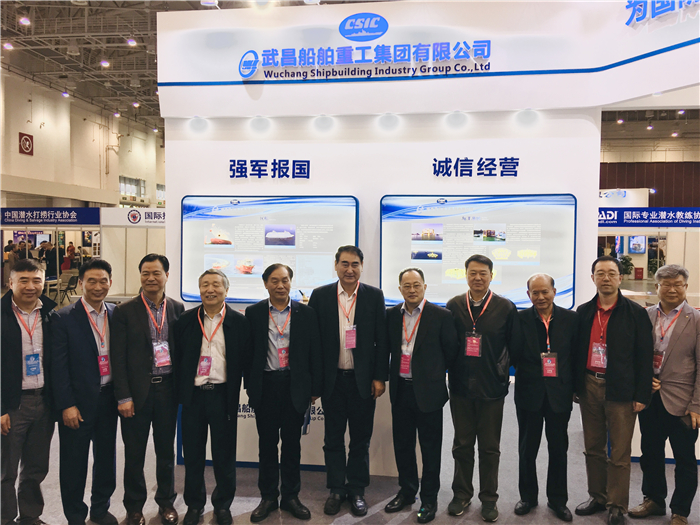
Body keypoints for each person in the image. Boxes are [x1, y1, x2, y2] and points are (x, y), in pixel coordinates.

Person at [308, 245, 389, 517]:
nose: (349, 269)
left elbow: (382, 341)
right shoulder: (320, 296)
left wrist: (379, 377)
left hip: (362, 382)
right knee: (332, 439)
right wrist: (315, 384)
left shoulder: (374, 296)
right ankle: (336, 489)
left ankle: (356, 490)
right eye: (344, 264)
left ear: (362, 267)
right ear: (336, 265)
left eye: (355, 264)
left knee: (360, 440)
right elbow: (314, 344)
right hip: (333, 381)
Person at [574, 255, 653, 525]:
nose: (605, 278)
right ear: (593, 278)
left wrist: (642, 395)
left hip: (621, 389)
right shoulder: (583, 312)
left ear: (620, 278)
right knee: (593, 447)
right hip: (589, 384)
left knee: (619, 452)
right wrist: (576, 387)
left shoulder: (636, 313)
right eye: (600, 273)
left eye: (611, 273)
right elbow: (576, 352)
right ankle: (597, 496)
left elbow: (644, 356)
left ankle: (617, 505)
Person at [172, 269, 251, 525]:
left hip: (223, 396)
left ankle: (223, 505)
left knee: (224, 455)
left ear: (226, 290)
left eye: (216, 284)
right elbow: (177, 360)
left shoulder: (239, 322)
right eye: (205, 284)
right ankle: (194, 505)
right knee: (193, 455)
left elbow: (246, 360)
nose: (210, 289)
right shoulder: (185, 320)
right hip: (194, 397)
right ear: (199, 290)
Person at [111, 254, 185, 525]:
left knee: (166, 452)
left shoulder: (177, 309)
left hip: (167, 391)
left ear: (167, 275)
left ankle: (166, 502)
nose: (151, 278)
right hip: (136, 394)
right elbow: (118, 358)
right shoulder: (124, 311)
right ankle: (134, 507)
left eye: (156, 273)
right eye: (145, 273)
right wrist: (124, 396)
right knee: (134, 454)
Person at [445, 254, 519, 522]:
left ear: (491, 276)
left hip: (492, 389)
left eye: (483, 273)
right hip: (461, 387)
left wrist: (501, 373)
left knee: (489, 447)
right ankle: (461, 494)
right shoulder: (454, 306)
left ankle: (489, 499)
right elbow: (447, 345)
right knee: (462, 444)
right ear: (465, 275)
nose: (477, 278)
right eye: (473, 273)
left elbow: (513, 347)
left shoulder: (505, 307)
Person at [246, 264, 322, 522]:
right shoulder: (254, 312)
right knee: (267, 446)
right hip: (266, 386)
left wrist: (315, 388)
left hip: (294, 386)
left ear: (291, 282)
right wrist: (250, 385)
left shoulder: (306, 313)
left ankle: (291, 496)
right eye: (275, 280)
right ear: (265, 283)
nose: (280, 285)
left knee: (292, 446)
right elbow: (249, 353)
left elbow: (314, 352)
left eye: (285, 280)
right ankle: (268, 497)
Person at [384, 268, 458, 523]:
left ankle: (429, 499)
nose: (412, 290)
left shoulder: (441, 315)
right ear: (400, 289)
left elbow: (451, 352)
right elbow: (386, 349)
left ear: (425, 287)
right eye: (407, 286)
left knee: (430, 449)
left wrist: (432, 374)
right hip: (401, 390)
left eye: (416, 285)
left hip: (428, 392)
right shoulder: (392, 315)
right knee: (403, 445)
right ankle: (406, 492)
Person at [629, 265, 700, 525]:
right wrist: (643, 380)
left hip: (683, 402)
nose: (672, 289)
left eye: (677, 284)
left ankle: (680, 511)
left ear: (685, 287)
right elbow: (635, 355)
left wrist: (697, 405)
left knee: (685, 460)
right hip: (650, 399)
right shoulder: (645, 315)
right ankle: (654, 500)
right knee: (650, 453)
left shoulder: (697, 319)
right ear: (657, 287)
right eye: (666, 284)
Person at [51, 259, 118, 525]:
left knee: (106, 458)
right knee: (73, 462)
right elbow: (58, 367)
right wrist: (66, 404)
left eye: (103, 281)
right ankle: (75, 515)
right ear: (81, 283)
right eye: (91, 281)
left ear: (110, 282)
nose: (98, 286)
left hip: (108, 399)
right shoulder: (63, 317)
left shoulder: (116, 313)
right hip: (77, 403)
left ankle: (100, 508)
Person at [512, 274, 578, 522]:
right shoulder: (519, 320)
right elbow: (513, 354)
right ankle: (527, 497)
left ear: (554, 292)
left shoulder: (571, 319)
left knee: (558, 449)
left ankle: (558, 500)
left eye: (545, 292)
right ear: (528, 295)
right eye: (535, 293)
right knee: (527, 449)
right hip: (529, 393)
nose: (540, 297)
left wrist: (576, 389)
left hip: (559, 394)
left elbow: (576, 356)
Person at [1, 258, 57, 525]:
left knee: (35, 467)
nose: (30, 286)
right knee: (6, 470)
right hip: (12, 405)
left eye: (37, 280)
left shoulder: (52, 315)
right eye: (23, 280)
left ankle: (30, 516)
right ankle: (5, 518)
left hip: (43, 401)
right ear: (10, 283)